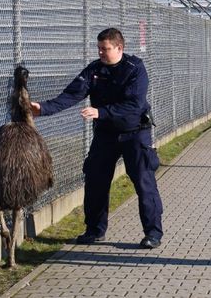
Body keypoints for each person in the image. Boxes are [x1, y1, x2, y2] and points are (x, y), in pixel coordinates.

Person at [31, 28, 163, 249]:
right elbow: (71, 95)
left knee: (143, 182)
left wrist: (101, 112)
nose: (101, 52)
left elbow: (135, 104)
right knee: (95, 181)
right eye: (99, 48)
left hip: (134, 133)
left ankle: (153, 233)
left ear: (119, 48)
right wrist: (42, 109)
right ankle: (94, 230)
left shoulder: (135, 69)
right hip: (105, 135)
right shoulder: (94, 70)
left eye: (106, 49)